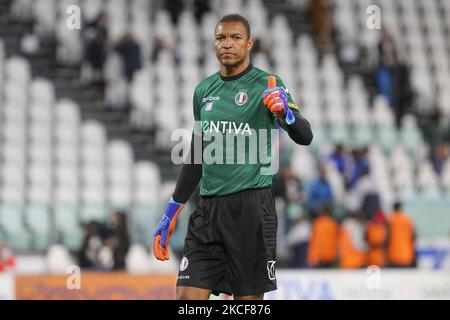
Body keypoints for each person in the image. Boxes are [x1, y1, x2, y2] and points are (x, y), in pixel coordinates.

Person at [152, 14, 313, 300]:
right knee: (187, 299)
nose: (227, 43)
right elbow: (197, 155)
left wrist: (285, 115)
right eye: (221, 38)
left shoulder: (268, 83)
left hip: (251, 210)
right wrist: (171, 211)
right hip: (207, 212)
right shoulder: (203, 91)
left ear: (249, 43)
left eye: (235, 37)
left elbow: (305, 135)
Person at [387, 202, 416, 268]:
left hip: (393, 255)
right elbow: (413, 236)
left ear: (393, 208)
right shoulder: (408, 219)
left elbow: (386, 237)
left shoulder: (390, 219)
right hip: (406, 255)